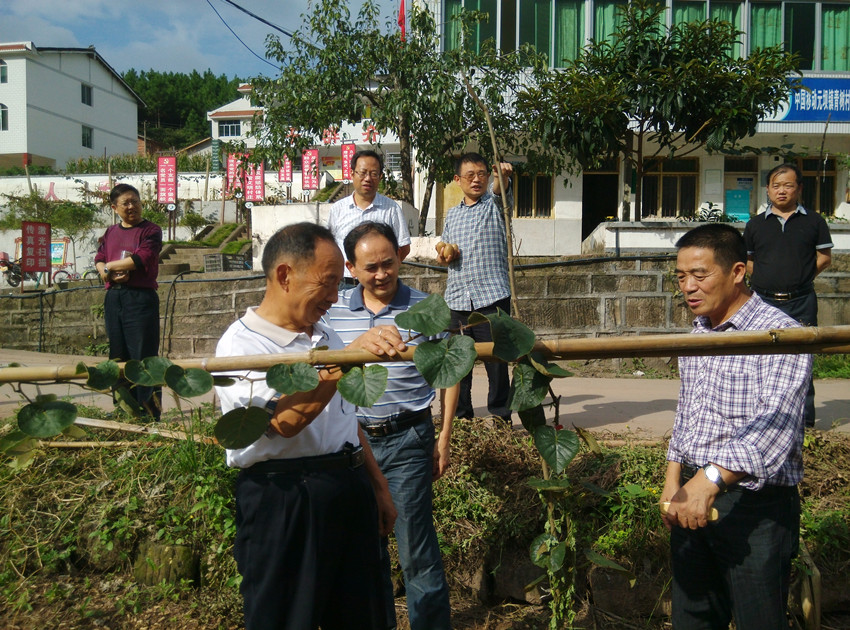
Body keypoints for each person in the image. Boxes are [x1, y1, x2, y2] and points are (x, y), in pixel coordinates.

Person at [214, 222, 403, 630]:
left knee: (363, 616)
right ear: (285, 275)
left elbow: (346, 422)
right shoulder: (241, 347)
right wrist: (346, 359)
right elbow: (283, 422)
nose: (336, 296)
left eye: (340, 283)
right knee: (285, 618)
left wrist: (378, 487)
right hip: (284, 500)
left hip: (348, 489)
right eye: (328, 282)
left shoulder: (324, 334)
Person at [661, 223, 811, 629]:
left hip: (753, 506)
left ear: (738, 272)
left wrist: (708, 481)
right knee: (693, 619)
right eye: (681, 277)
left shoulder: (782, 335)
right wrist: (674, 477)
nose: (688, 287)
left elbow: (774, 428)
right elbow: (688, 411)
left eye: (700, 275)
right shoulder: (698, 334)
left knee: (758, 619)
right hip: (692, 495)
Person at [326, 221, 456, 630]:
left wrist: (445, 435)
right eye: (371, 267)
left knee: (415, 550)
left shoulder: (425, 308)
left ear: (400, 258)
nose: (381, 274)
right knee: (367, 552)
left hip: (407, 439)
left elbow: (449, 371)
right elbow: (325, 369)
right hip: (351, 447)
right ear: (351, 267)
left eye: (388, 263)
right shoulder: (333, 312)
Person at [743, 163, 833, 427]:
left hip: (801, 301)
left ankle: (804, 422)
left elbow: (824, 258)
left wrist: (800, 278)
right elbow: (745, 260)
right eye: (776, 185)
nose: (782, 191)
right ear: (768, 190)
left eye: (788, 185)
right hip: (763, 301)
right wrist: (764, 277)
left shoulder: (814, 221)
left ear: (799, 188)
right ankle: (759, 419)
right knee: (759, 360)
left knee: (802, 360)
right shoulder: (756, 224)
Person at [436, 152, 513, 424]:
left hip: (491, 298)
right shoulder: (452, 216)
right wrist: (446, 254)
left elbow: (498, 192)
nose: (477, 180)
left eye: (482, 174)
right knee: (460, 364)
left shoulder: (494, 206)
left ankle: (501, 419)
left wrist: (502, 177)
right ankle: (462, 419)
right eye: (470, 175)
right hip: (457, 300)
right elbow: (444, 250)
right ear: (458, 180)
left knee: (497, 364)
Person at [94, 184, 163, 419]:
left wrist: (111, 266)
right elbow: (99, 258)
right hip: (114, 298)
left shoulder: (151, 230)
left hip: (140, 299)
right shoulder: (111, 232)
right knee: (117, 355)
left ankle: (150, 414)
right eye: (126, 203)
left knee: (144, 357)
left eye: (135, 201)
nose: (132, 206)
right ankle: (124, 410)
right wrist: (104, 269)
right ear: (114, 208)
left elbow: (141, 258)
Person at [327, 150, 411, 288]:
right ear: (352, 174)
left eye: (373, 174)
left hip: (379, 284)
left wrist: (384, 273)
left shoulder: (391, 209)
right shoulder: (338, 209)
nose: (368, 178)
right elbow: (330, 247)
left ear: (380, 177)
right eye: (363, 172)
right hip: (346, 284)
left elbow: (403, 247)